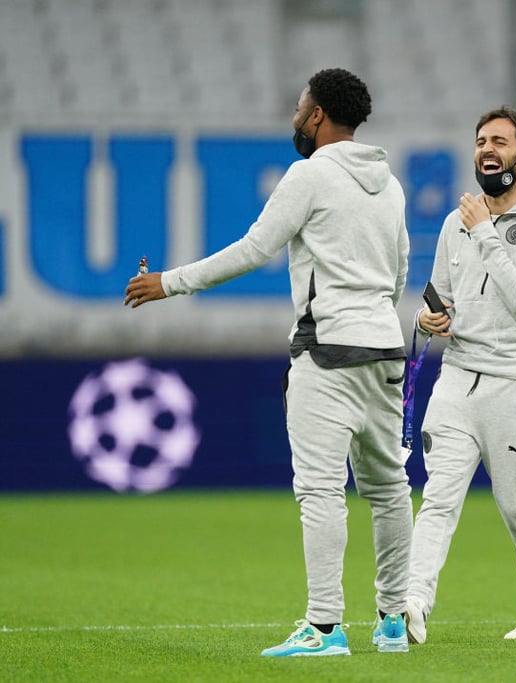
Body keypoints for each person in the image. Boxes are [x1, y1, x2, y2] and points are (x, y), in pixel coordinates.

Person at [123, 68, 414, 657]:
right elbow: (400, 270)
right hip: (385, 348)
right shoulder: (391, 184)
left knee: (321, 491)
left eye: (300, 105)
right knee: (389, 489)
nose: (294, 115)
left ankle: (326, 628)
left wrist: (169, 282)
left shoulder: (308, 174)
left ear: (316, 115)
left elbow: (256, 248)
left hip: (328, 349)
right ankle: (391, 623)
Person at [404, 106, 516, 643]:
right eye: (480, 140)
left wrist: (486, 235)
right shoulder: (459, 222)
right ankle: (411, 604)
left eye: (499, 141)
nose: (486, 150)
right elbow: (440, 298)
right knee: (437, 498)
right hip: (457, 376)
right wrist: (429, 318)